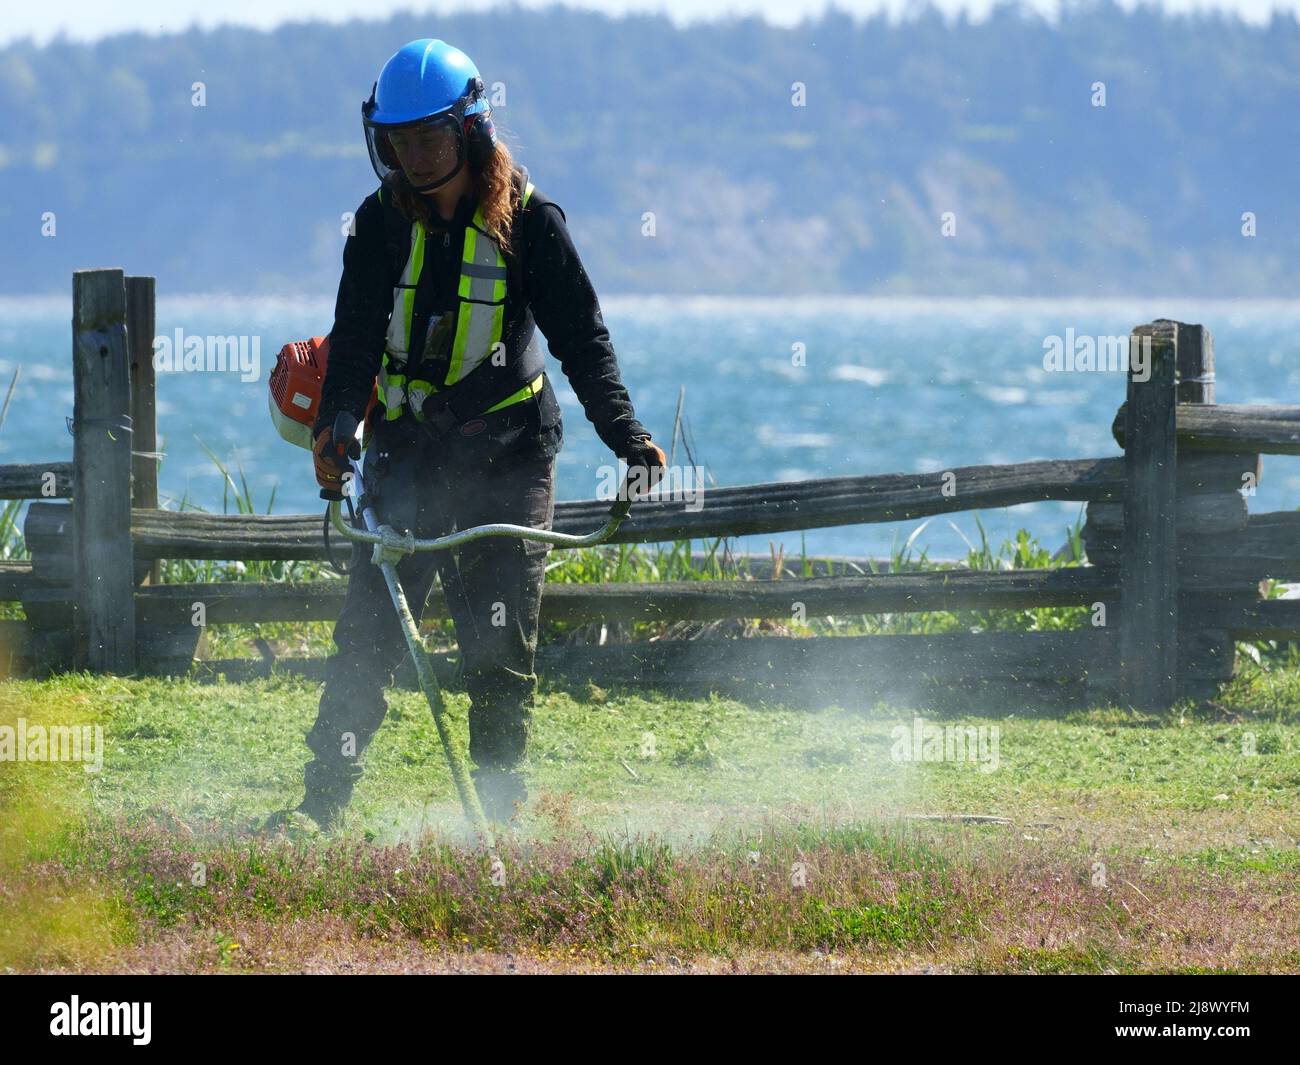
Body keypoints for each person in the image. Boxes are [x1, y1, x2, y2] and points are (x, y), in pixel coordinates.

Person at [288, 38, 665, 829]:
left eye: (427, 137)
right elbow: (352, 343)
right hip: (403, 457)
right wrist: (333, 425)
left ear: (472, 131)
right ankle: (318, 811)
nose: (412, 156)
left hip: (510, 458)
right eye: (397, 141)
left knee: (497, 654)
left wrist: (628, 439)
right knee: (366, 642)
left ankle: (499, 821)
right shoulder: (376, 225)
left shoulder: (531, 223)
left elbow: (583, 343)